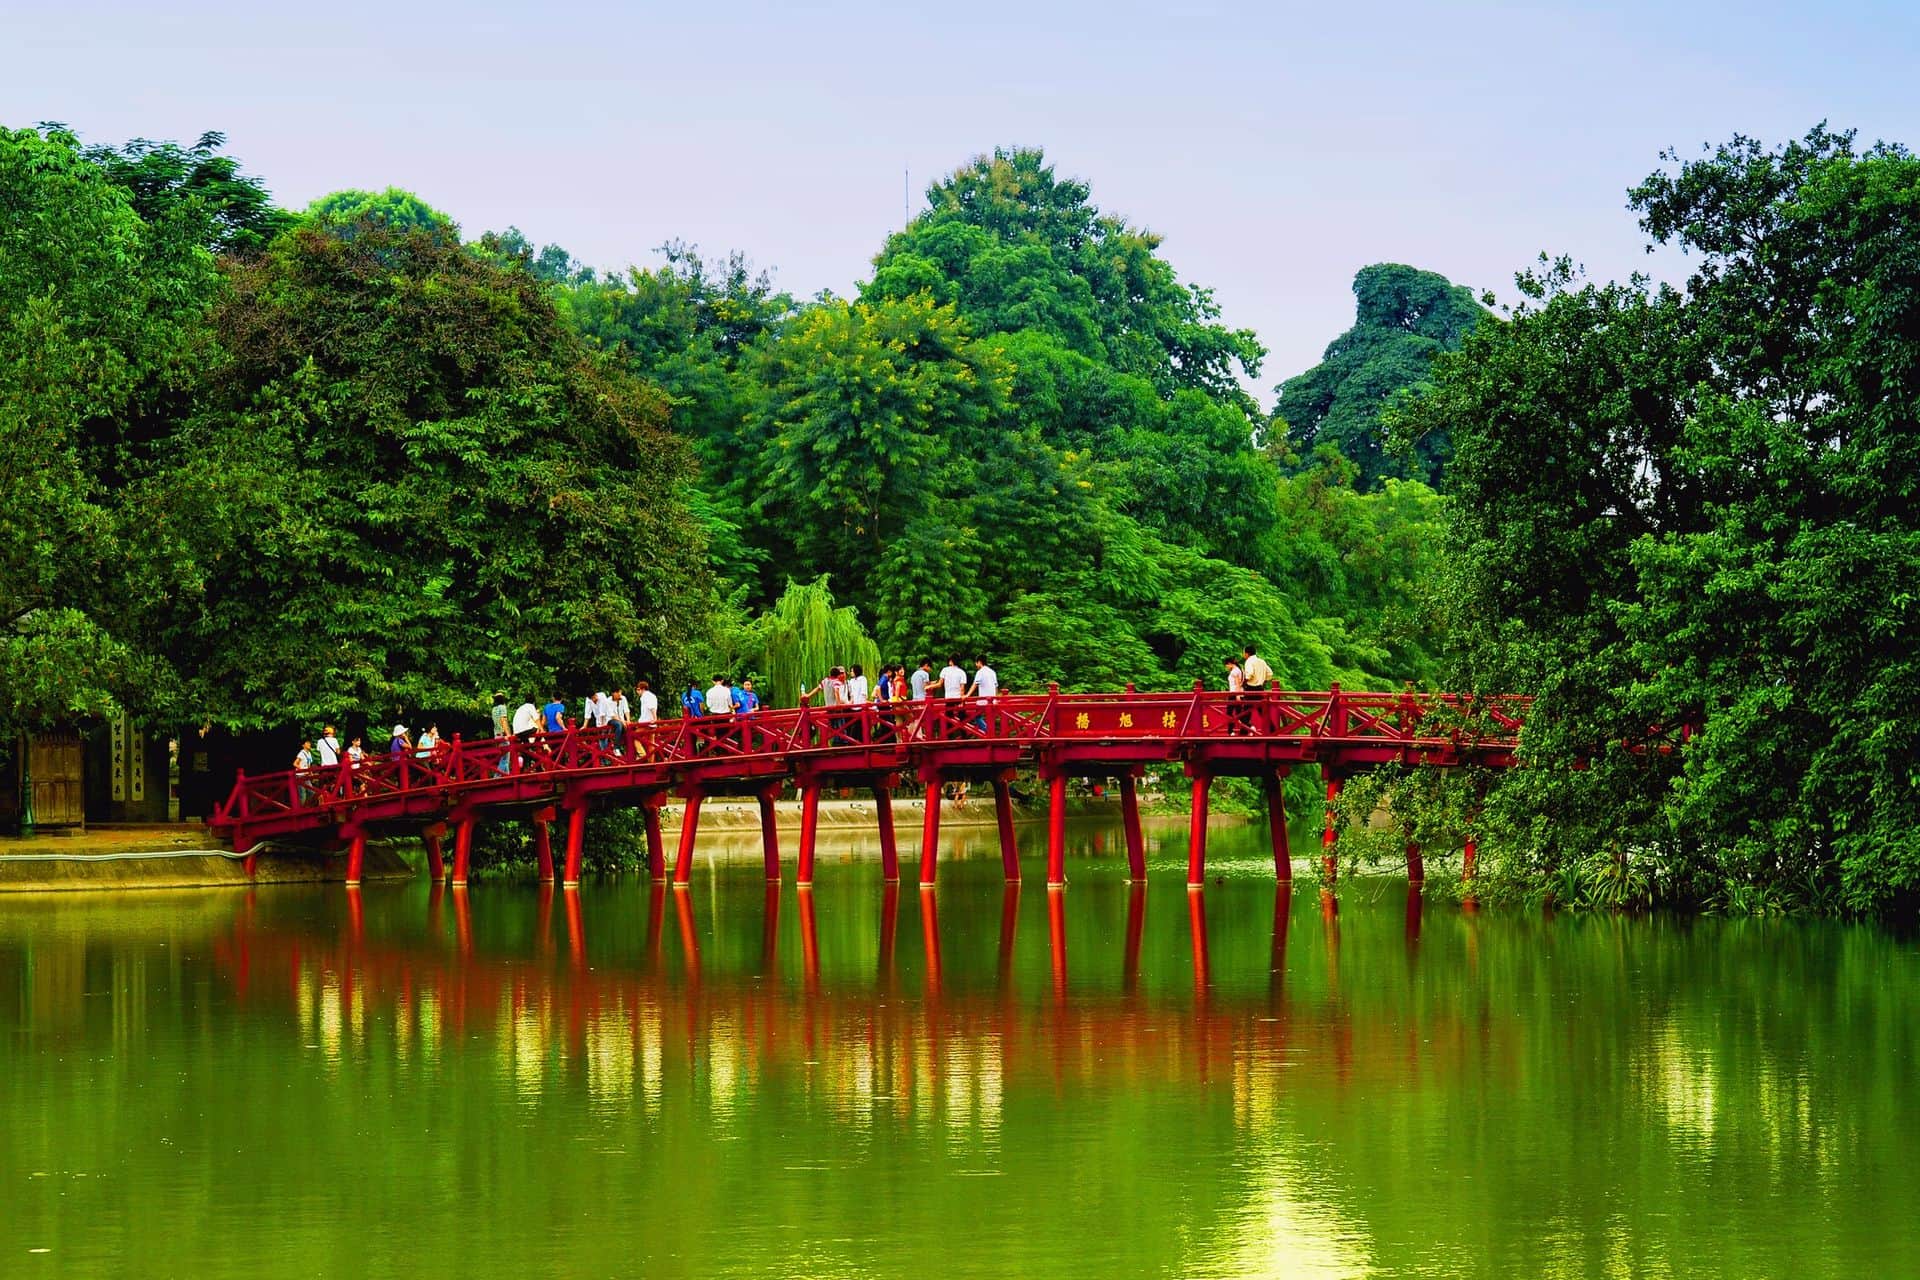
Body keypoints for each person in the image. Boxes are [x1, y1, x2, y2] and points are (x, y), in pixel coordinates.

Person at [1241, 644, 1274, 734]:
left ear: (1247, 653)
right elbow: (1270, 674)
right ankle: (1272, 730)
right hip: (1260, 688)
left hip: (1250, 688)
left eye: (1243, 653)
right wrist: (1263, 680)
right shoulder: (1261, 661)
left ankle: (1244, 731)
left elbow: (1249, 674)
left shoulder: (1249, 662)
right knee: (1262, 711)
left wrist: (1243, 682)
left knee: (1246, 711)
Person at [1225, 657, 1247, 734]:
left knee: (1229, 713)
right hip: (1238, 693)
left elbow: (1237, 684)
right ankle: (1249, 727)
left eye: (1226, 665)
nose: (1226, 667)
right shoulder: (1239, 670)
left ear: (1230, 664)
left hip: (1234, 694)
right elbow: (1241, 683)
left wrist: (1237, 695)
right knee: (1239, 713)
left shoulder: (1234, 671)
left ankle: (1231, 731)